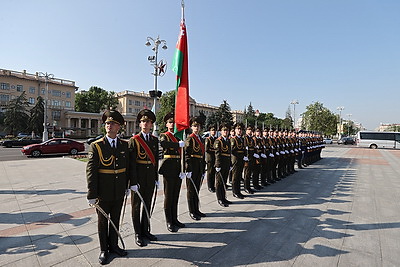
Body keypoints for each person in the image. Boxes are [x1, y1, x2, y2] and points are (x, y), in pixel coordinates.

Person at [86, 110, 132, 265]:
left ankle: (114, 245)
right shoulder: (97, 146)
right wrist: (92, 194)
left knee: (116, 219)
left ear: (119, 127)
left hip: (119, 191)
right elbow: (91, 172)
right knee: (102, 222)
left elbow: (128, 168)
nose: (109, 125)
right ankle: (104, 249)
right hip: (102, 193)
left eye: (112, 123)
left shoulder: (124, 145)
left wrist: (128, 185)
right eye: (107, 123)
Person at [129, 109, 159, 247]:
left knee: (147, 205)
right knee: (136, 207)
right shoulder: (134, 140)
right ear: (139, 124)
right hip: (138, 179)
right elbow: (131, 163)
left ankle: (146, 230)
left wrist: (156, 177)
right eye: (143, 121)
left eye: (148, 122)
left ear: (151, 124)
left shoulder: (154, 140)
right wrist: (133, 182)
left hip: (150, 178)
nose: (145, 124)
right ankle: (138, 233)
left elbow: (155, 161)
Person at [159, 112, 186, 232]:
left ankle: (175, 219)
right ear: (166, 124)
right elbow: (163, 144)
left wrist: (183, 169)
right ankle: (169, 221)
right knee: (168, 196)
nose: (171, 124)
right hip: (168, 168)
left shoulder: (178, 136)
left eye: (173, 122)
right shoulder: (164, 135)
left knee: (175, 195)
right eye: (170, 122)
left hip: (177, 168)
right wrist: (177, 144)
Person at [185, 116, 206, 221]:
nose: (196, 128)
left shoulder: (201, 138)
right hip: (192, 167)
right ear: (191, 127)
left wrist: (203, 168)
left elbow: (203, 155)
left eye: (198, 126)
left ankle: (196, 209)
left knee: (197, 189)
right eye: (194, 126)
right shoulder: (190, 138)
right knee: (191, 190)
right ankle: (192, 211)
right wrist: (188, 169)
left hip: (199, 166)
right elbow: (187, 155)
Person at [213, 123, 232, 207]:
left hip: (227, 163)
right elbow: (217, 154)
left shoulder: (227, 140)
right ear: (221, 131)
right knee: (219, 182)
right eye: (224, 130)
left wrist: (230, 163)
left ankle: (224, 198)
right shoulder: (218, 141)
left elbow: (229, 153)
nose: (226, 132)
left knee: (224, 181)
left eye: (227, 130)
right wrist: (217, 165)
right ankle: (220, 199)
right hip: (221, 163)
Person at [230, 123, 246, 199]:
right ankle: (235, 192)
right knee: (235, 177)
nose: (239, 130)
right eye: (238, 129)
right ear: (235, 130)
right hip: (236, 159)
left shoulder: (242, 139)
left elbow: (243, 149)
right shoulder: (233, 139)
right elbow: (233, 151)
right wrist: (241, 156)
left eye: (240, 129)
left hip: (241, 159)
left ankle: (238, 191)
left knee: (239, 176)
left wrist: (245, 156)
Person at [205, 125, 217, 193]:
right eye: (212, 131)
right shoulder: (208, 139)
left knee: (214, 172)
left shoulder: (216, 139)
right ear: (210, 131)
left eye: (214, 131)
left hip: (215, 158)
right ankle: (210, 186)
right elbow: (207, 149)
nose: (214, 132)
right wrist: (214, 150)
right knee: (210, 173)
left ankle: (213, 185)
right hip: (210, 158)